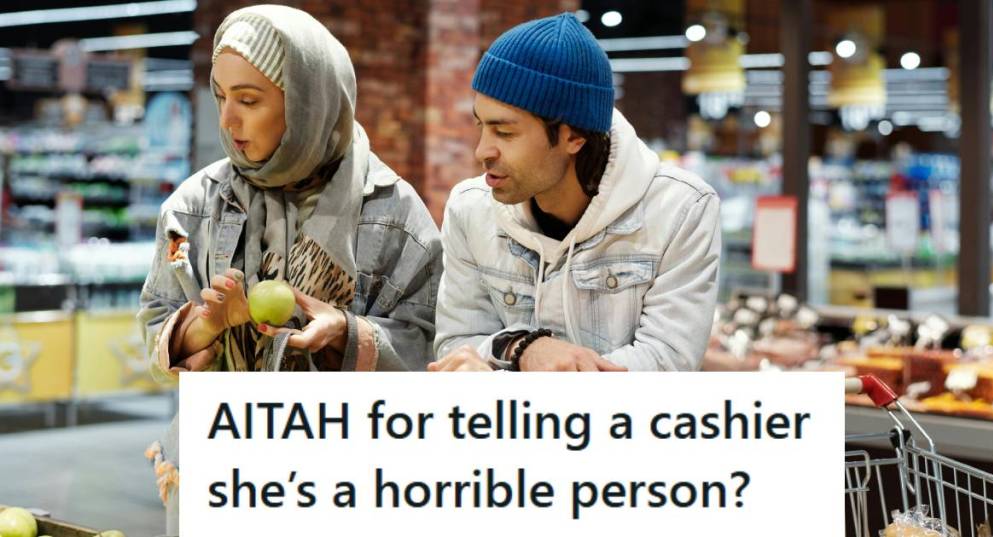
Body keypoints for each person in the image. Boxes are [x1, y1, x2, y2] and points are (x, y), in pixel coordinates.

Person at [137, 5, 441, 533]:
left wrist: (346, 334)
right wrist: (203, 325)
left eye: (249, 101)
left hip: (345, 482)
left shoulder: (394, 216)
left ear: (307, 102)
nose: (228, 120)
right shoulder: (190, 209)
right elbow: (155, 317)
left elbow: (434, 348)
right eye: (220, 97)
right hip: (217, 474)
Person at [431, 13, 721, 373]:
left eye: (504, 133)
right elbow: (455, 348)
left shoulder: (681, 210)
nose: (482, 151)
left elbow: (664, 366)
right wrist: (523, 348)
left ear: (573, 137)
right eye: (481, 126)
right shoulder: (469, 209)